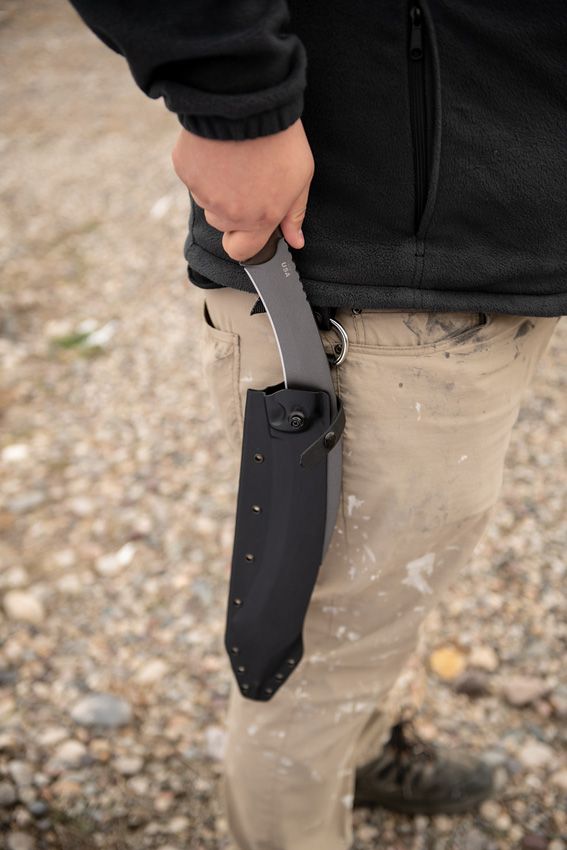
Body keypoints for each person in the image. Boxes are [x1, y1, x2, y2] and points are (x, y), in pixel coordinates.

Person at [67, 2, 565, 848]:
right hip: (354, 250)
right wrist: (233, 100)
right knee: (311, 653)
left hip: (503, 232)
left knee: (388, 589)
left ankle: (355, 749)